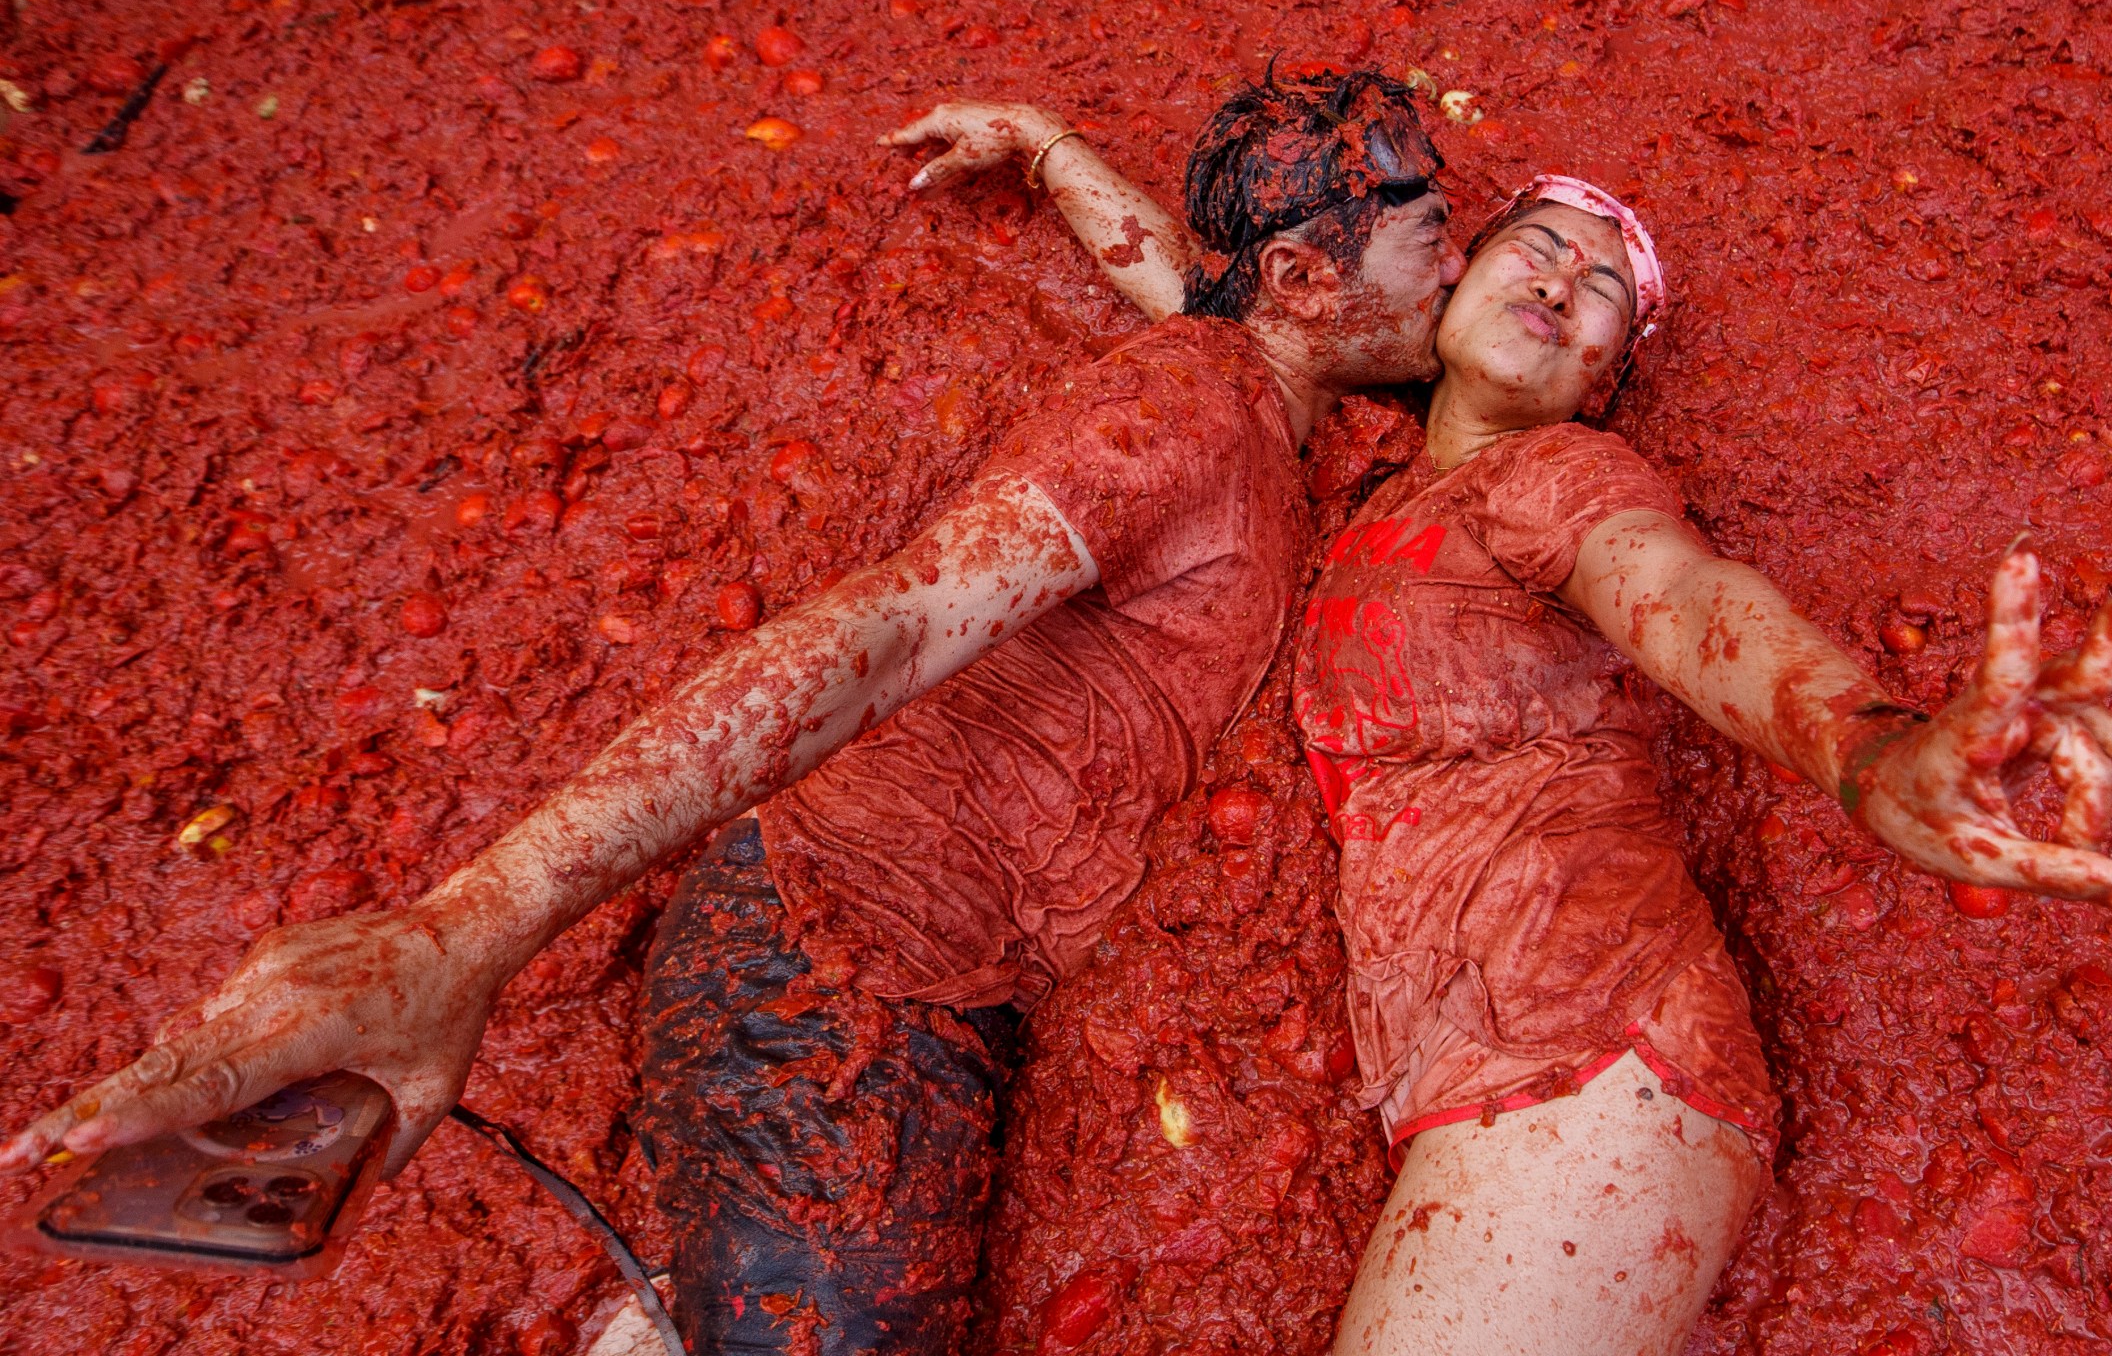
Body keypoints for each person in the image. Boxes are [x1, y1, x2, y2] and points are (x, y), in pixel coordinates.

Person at [0, 69, 1466, 1356]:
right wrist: (469, 927)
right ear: (1307, 280)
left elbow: (1182, 272)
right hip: (826, 961)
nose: (1458, 265)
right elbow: (887, 628)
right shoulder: (1187, 413)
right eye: (1433, 234)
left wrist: (1051, 148)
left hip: (938, 968)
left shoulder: (1264, 387)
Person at [1026, 156, 2112, 1351]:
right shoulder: (1363, 472)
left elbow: (1681, 598)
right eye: (1535, 247)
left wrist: (1871, 753)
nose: (1560, 280)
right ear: (1450, 287)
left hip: (1597, 1053)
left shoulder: (1558, 475)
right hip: (1475, 1059)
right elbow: (1223, 301)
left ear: (1601, 385)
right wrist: (1044, 148)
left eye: (1601, 293)